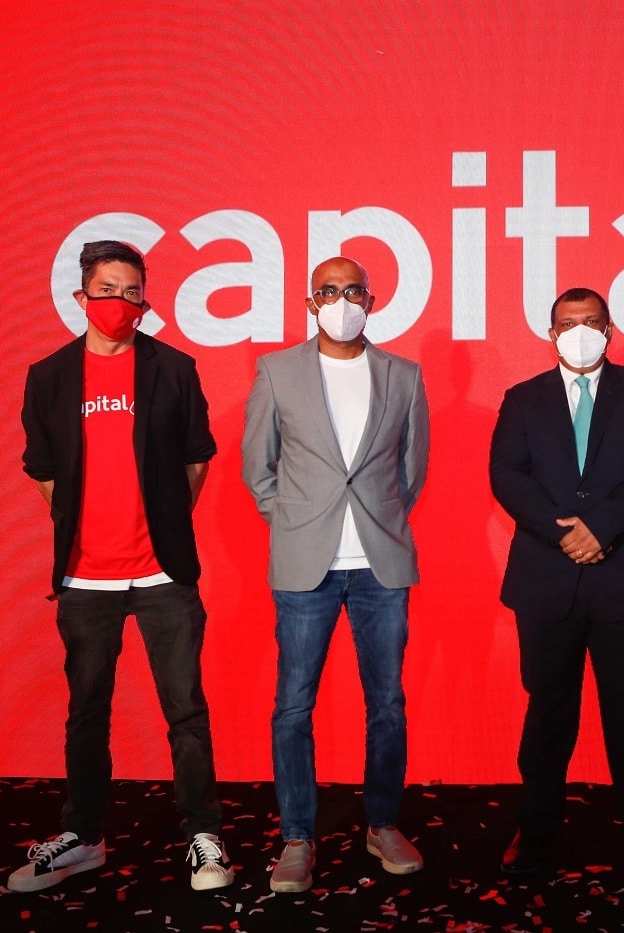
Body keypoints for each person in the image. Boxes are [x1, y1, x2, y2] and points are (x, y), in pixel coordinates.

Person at [14, 241, 233, 893]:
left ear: (144, 299)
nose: (120, 303)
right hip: (86, 579)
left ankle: (204, 836)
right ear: (81, 297)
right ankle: (84, 837)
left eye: (132, 292)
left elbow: (197, 457)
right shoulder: (49, 376)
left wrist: (163, 524)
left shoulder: (174, 368)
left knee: (186, 711)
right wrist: (80, 525)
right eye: (108, 290)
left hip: (163, 574)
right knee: (86, 712)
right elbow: (42, 469)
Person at [489, 287, 624, 881]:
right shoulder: (523, 398)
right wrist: (566, 536)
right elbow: (507, 475)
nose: (579, 332)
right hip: (546, 580)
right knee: (548, 713)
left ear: (610, 329)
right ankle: (535, 832)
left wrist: (600, 527)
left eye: (591, 322)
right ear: (550, 333)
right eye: (567, 323)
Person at [241, 256, 430, 891]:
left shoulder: (404, 375)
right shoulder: (277, 371)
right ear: (310, 302)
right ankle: (297, 836)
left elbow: (411, 470)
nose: (341, 301)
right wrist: (292, 522)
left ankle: (383, 824)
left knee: (388, 705)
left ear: (370, 301)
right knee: (293, 706)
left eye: (353, 291)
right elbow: (257, 466)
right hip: (306, 568)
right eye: (328, 290)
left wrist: (380, 519)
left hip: (382, 567)